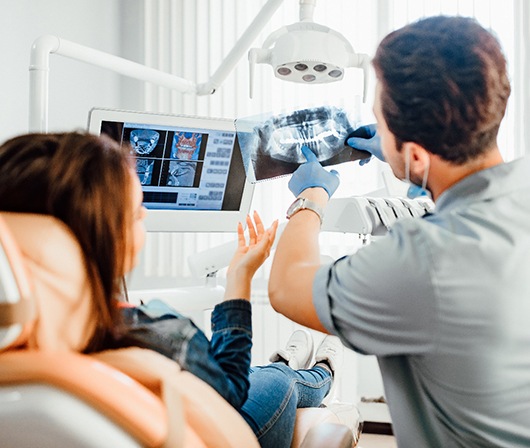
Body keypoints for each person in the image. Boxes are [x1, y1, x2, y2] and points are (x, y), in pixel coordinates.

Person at [268, 15, 530, 447]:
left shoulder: (423, 261)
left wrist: (310, 198)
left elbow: (285, 288)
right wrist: (418, 174)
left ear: (416, 153)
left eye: (380, 120)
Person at [0, 131, 344, 448]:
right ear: (104, 237)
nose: (146, 216)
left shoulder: (29, 346)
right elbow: (233, 388)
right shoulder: (161, 339)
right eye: (136, 212)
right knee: (278, 379)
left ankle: (294, 362)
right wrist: (241, 274)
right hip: (224, 417)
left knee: (264, 374)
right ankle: (321, 372)